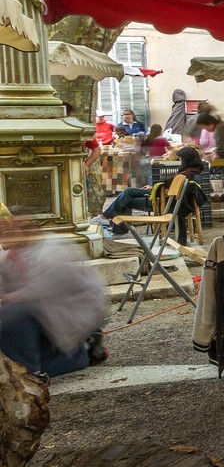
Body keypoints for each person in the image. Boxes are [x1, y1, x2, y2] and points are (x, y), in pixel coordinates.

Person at [0, 220, 107, 378]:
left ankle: (32, 373)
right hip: (40, 319)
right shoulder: (7, 257)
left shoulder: (52, 249)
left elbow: (46, 286)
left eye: (11, 232)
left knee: (13, 313)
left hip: (70, 312)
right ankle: (79, 354)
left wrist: (13, 297)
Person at [93, 145, 208, 241]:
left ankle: (110, 220)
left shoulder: (186, 174)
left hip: (163, 202)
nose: (179, 161)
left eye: (181, 159)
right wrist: (154, 188)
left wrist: (153, 189)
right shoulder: (193, 172)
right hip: (165, 199)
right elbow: (169, 187)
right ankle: (116, 226)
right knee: (126, 196)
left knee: (127, 196)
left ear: (186, 160)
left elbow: (169, 189)